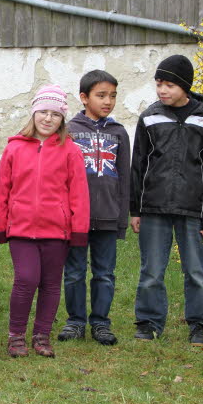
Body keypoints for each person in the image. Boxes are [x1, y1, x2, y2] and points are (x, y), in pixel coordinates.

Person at [130, 55, 203, 347]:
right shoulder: (149, 117)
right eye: (158, 84)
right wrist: (135, 209)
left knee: (195, 271)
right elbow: (138, 165)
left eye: (169, 84)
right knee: (151, 271)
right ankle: (149, 322)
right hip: (154, 207)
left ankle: (200, 325)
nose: (162, 90)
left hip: (191, 209)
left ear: (184, 86)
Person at [0, 84, 90, 358]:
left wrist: (78, 230)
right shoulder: (14, 149)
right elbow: (3, 190)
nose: (48, 119)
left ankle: (42, 335)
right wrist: (1, 226)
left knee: (50, 283)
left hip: (56, 230)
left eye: (55, 114)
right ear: (33, 113)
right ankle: (15, 336)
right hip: (22, 229)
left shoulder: (70, 150)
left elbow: (79, 194)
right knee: (26, 279)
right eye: (43, 112)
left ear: (62, 119)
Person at [59, 70, 130, 346]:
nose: (108, 101)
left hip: (108, 216)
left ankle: (101, 322)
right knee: (75, 271)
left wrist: (123, 217)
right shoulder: (70, 131)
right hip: (76, 218)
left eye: (112, 96)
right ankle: (75, 321)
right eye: (101, 95)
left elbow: (125, 178)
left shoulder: (119, 133)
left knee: (105, 273)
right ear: (84, 98)